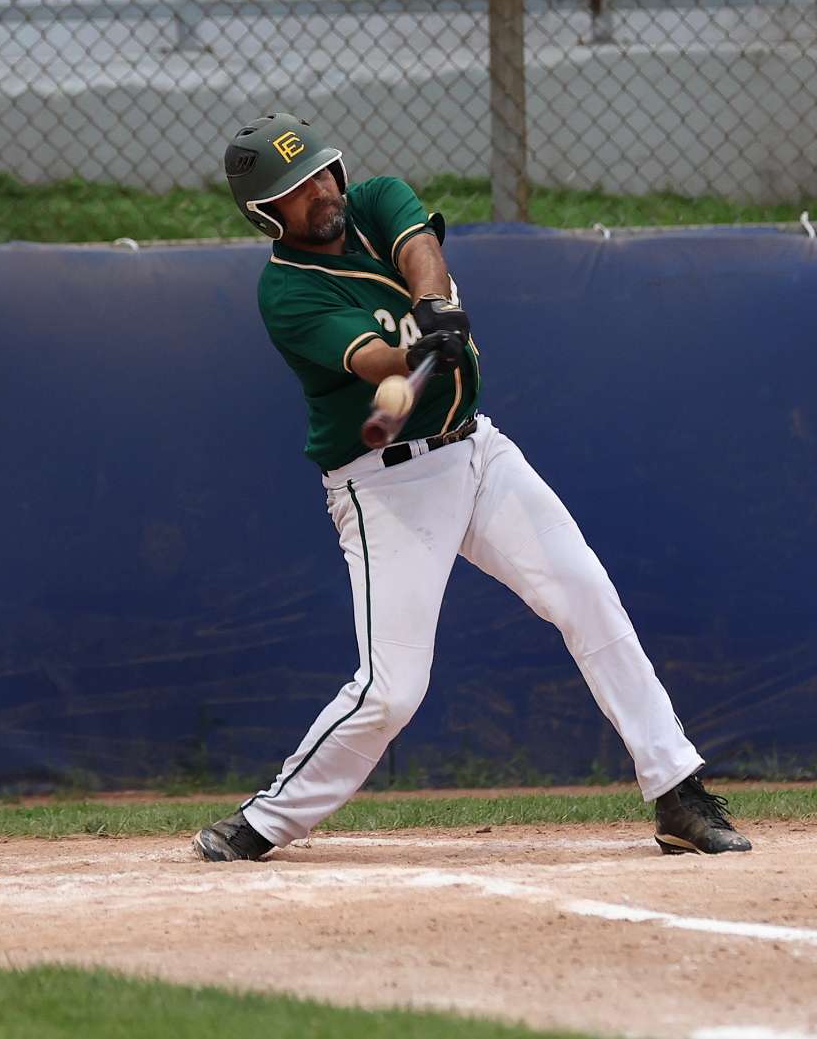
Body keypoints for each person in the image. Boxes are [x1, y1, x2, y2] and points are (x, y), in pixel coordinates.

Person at [197, 115, 749, 862]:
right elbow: (373, 362)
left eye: (322, 172)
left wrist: (434, 307)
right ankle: (268, 818)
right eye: (296, 189)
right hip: (386, 487)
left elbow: (418, 248)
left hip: (477, 450)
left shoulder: (376, 199)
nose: (320, 190)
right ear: (266, 213)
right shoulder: (286, 291)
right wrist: (410, 353)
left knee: (585, 591)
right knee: (393, 689)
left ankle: (677, 790)